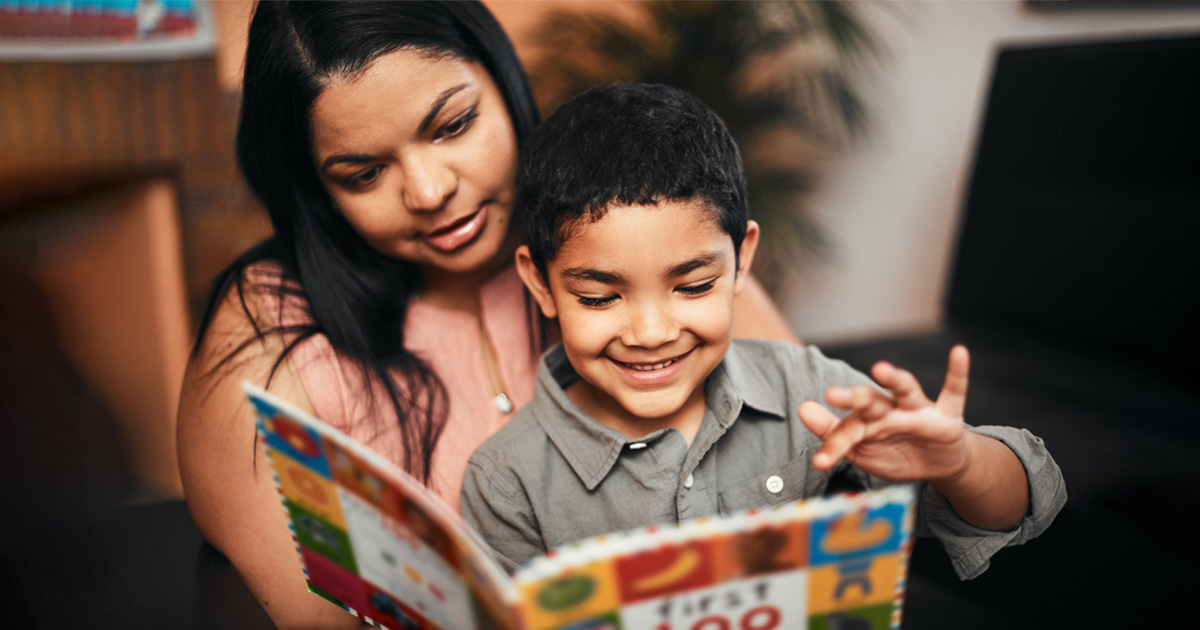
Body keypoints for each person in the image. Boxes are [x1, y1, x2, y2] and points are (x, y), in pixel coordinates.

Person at [176, 2, 797, 629]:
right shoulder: (270, 332)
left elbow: (806, 458)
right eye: (364, 174)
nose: (428, 191)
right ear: (318, 189)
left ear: (501, 79)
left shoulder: (621, 227)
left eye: (453, 125)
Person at [460, 83, 1067, 575]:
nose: (649, 332)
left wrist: (959, 462)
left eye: (693, 286)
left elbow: (1019, 509)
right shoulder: (506, 482)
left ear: (741, 261)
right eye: (598, 296)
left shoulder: (806, 388)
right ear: (541, 285)